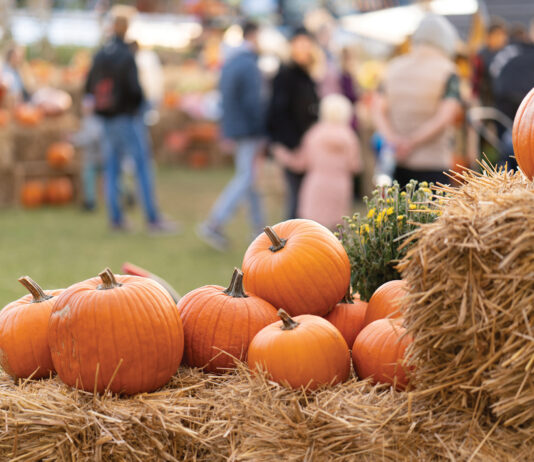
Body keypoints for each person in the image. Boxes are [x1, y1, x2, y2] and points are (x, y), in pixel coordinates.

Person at [85, 15, 175, 233]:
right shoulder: (126, 55)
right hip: (126, 116)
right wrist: (141, 107)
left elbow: (88, 86)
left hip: (107, 118)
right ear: (125, 30)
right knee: (142, 165)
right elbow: (135, 89)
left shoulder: (100, 55)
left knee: (112, 167)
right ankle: (152, 217)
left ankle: (116, 218)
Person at [197, 21, 265, 251]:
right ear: (253, 35)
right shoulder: (248, 64)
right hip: (248, 128)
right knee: (246, 177)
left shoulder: (232, 62)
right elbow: (252, 101)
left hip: (237, 127)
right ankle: (214, 223)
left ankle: (260, 230)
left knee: (250, 179)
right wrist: (262, 127)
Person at [373, 14, 462, 186]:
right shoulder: (449, 71)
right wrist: (411, 142)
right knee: (432, 213)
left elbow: (377, 109)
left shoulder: (393, 67)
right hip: (433, 163)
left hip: (396, 161)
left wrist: (394, 141)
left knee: (397, 211)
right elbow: (446, 116)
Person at [273, 94, 361, 230]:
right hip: (340, 186)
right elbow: (355, 166)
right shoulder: (349, 136)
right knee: (337, 232)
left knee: (312, 231)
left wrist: (282, 154)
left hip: (317, 184)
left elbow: (300, 163)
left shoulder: (315, 133)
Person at [268, 27, 319, 219]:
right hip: (294, 148)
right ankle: (291, 245)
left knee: (305, 201)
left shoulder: (307, 76)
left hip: (306, 146)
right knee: (296, 201)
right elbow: (278, 114)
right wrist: (292, 147)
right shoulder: (286, 76)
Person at [69, 96, 103, 211]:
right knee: (88, 177)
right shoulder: (87, 120)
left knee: (108, 178)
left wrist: (74, 140)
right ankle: (90, 201)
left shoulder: (96, 120)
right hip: (92, 157)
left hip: (101, 155)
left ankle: (128, 194)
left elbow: (91, 137)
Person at [472, 20, 508, 107]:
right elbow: (476, 79)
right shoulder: (482, 56)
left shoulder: (508, 53)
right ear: (489, 37)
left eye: (503, 34)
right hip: (487, 98)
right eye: (498, 34)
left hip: (505, 99)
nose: (502, 38)